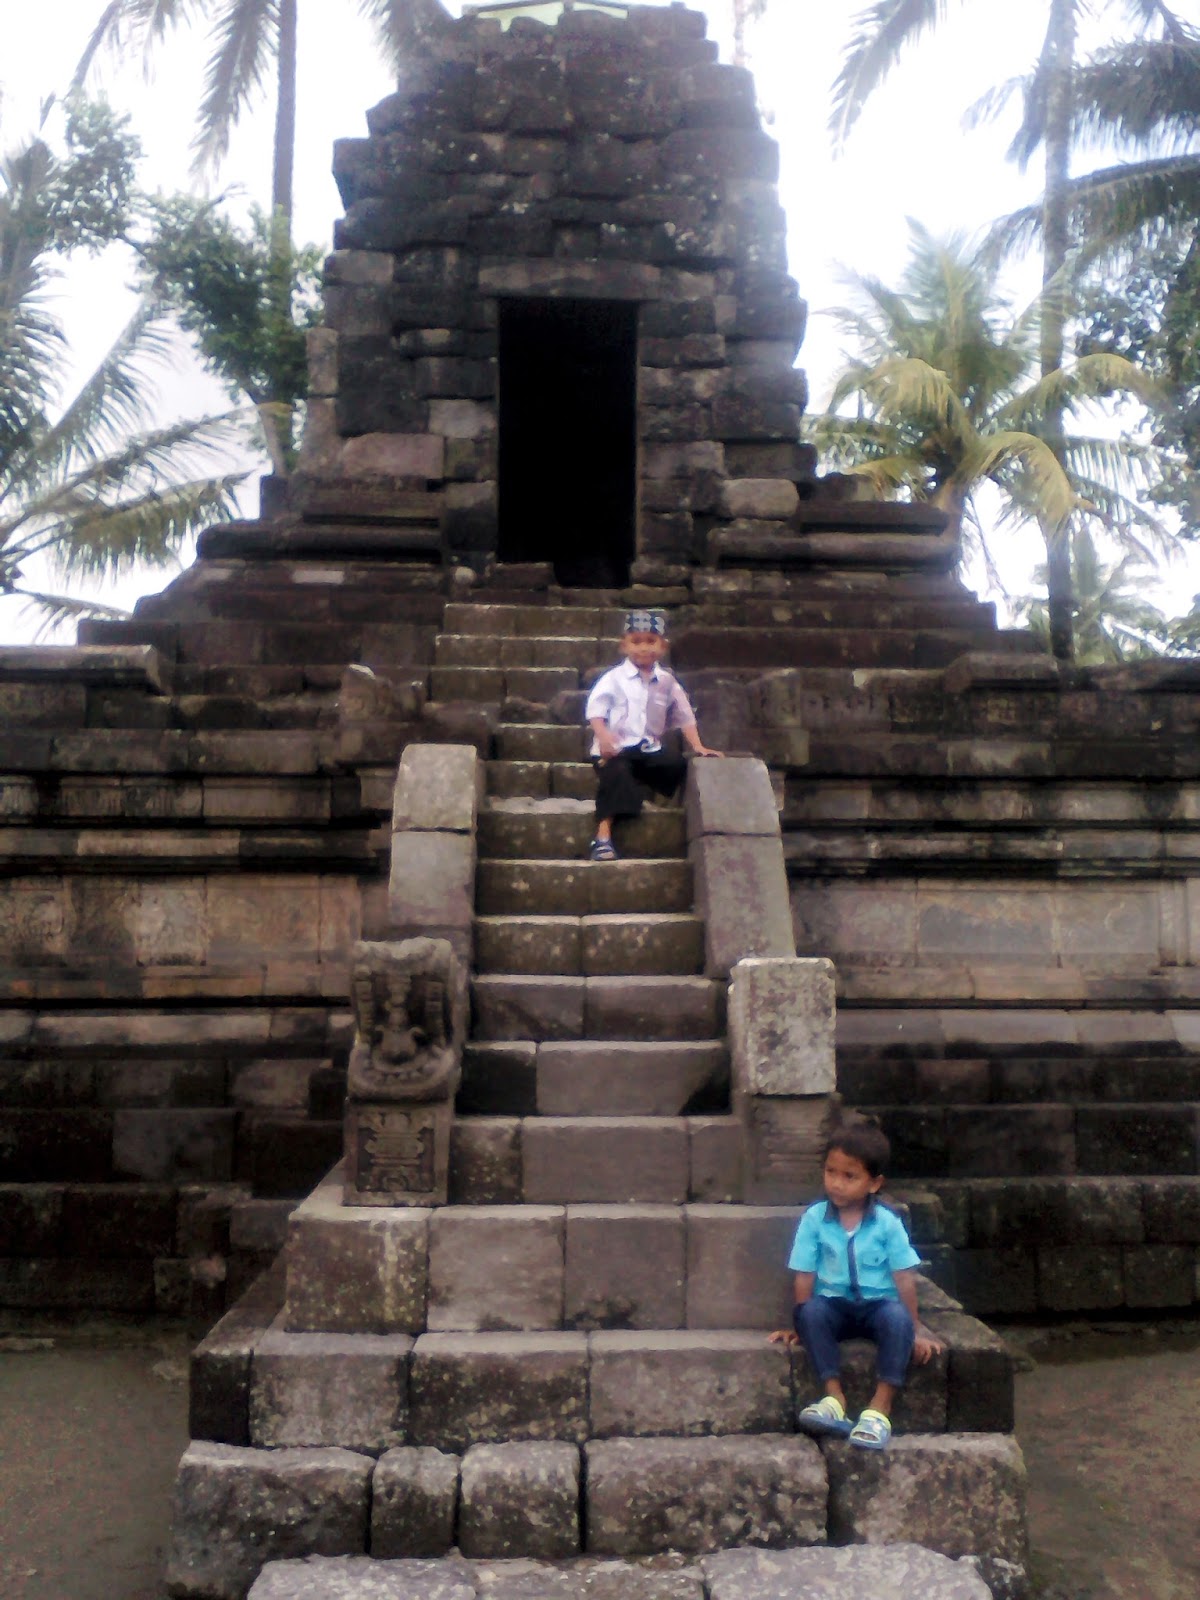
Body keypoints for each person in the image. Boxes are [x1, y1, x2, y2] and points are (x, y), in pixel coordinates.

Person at [768, 1121, 943, 1450]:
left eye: (850, 1176)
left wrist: (916, 1328)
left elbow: (904, 1279)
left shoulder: (886, 1224)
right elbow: (804, 1275)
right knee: (811, 1312)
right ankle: (833, 1399)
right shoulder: (815, 1219)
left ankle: (880, 1408)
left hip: (878, 1307)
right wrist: (799, 1322)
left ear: (874, 1183)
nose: (837, 1184)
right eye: (831, 1172)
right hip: (833, 1306)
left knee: (896, 1319)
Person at [583, 608, 721, 862]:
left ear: (663, 647)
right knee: (616, 774)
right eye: (636, 642)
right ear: (624, 646)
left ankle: (652, 797)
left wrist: (698, 745)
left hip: (648, 750)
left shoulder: (667, 682)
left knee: (675, 764)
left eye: (651, 641)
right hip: (615, 750)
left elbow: (684, 715)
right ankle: (602, 836)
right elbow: (596, 710)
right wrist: (603, 736)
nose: (643, 648)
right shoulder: (613, 679)